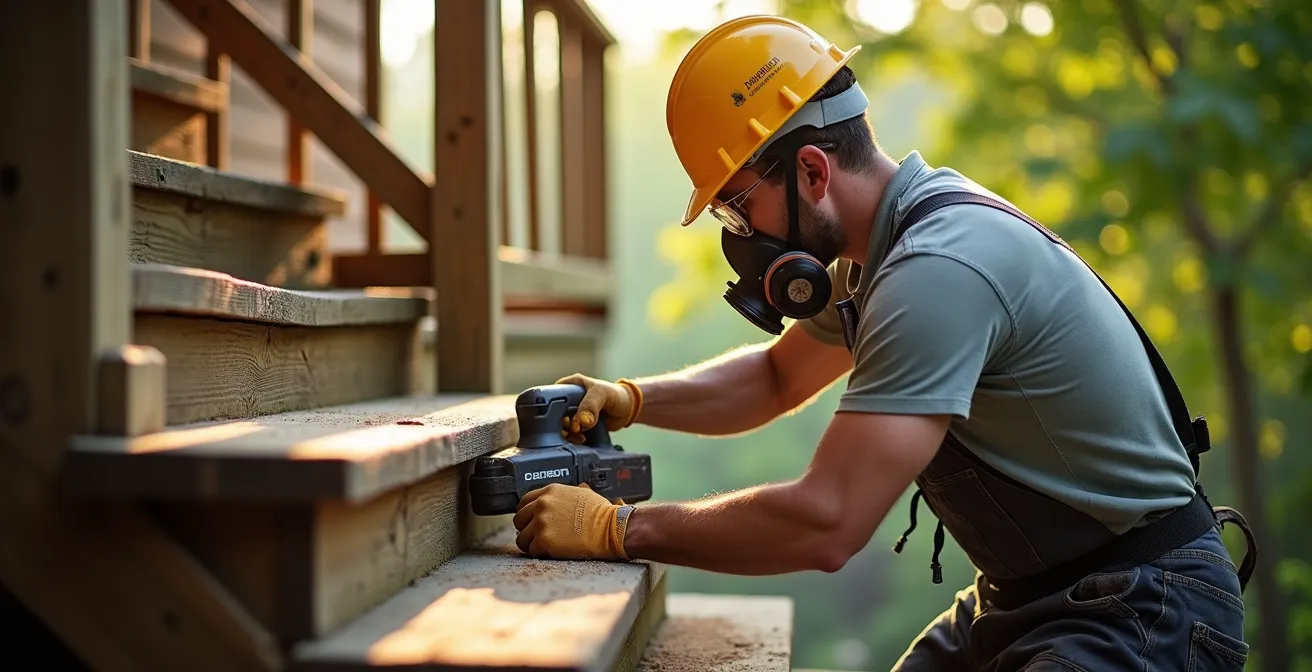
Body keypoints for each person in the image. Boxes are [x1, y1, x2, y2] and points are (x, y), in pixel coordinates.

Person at [509, 14, 1257, 671]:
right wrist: (634, 399)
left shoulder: (937, 270)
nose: (743, 241)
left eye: (738, 209)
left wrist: (616, 529)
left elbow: (829, 521)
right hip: (1029, 598)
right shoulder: (881, 257)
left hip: (1143, 611)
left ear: (811, 170)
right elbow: (775, 381)